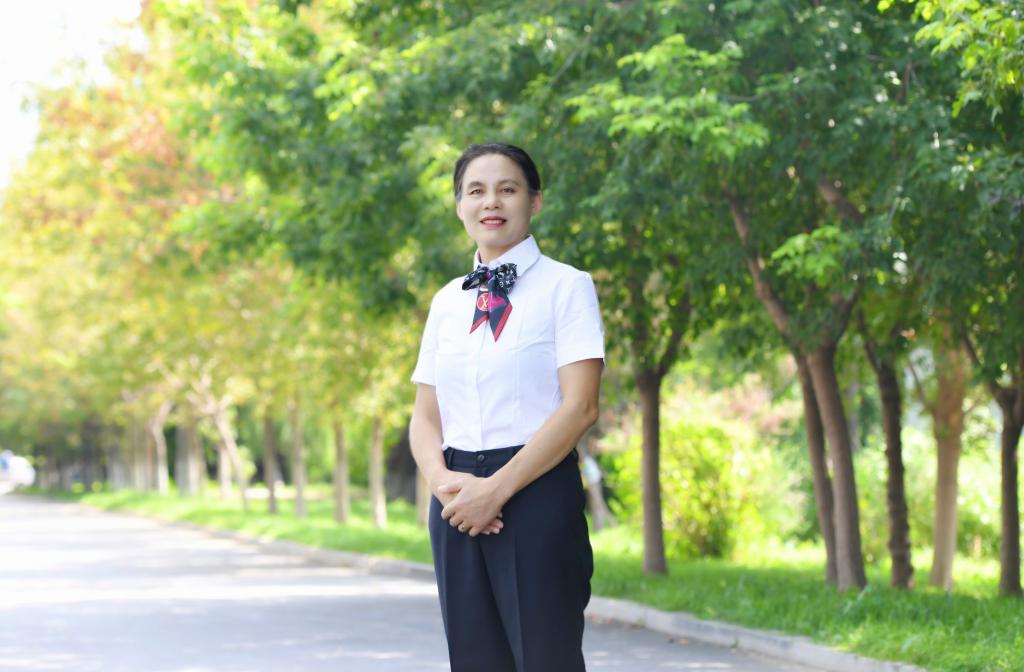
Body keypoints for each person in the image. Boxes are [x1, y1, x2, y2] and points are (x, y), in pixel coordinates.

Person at [409, 142, 605, 672]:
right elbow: (425, 416)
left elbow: (581, 406)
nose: (491, 201)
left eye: (508, 189)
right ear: (460, 206)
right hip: (454, 499)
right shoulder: (447, 302)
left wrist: (496, 490)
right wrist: (443, 485)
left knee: (546, 660)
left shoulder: (567, 287)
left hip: (535, 492)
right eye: (476, 190)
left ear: (534, 201)